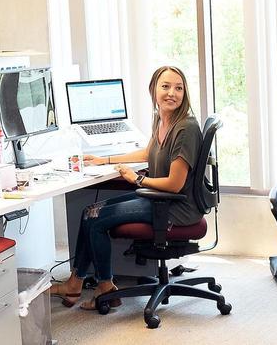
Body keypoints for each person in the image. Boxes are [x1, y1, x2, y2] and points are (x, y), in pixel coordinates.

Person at [49, 66, 203, 310]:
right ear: (153, 90)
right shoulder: (164, 118)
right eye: (165, 86)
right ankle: (76, 282)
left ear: (185, 93)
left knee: (96, 219)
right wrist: (106, 160)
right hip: (160, 199)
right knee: (89, 211)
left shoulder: (185, 128)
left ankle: (106, 287)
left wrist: (137, 179)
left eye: (178, 88)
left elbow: (175, 184)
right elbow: (148, 151)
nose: (172, 93)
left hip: (175, 207)